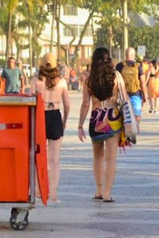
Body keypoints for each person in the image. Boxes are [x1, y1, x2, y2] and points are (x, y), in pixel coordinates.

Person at [77, 47, 125, 203]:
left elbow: (85, 104)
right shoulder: (116, 77)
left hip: (96, 120)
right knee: (111, 159)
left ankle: (98, 190)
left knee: (97, 157)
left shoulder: (89, 81)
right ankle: (107, 193)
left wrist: (80, 125)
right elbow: (124, 99)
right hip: (113, 120)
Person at [36, 53, 70, 203]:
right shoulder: (61, 83)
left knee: (39, 156)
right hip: (55, 115)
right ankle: (53, 193)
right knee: (54, 159)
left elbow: (30, 102)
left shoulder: (36, 82)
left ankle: (38, 190)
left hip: (39, 117)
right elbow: (67, 105)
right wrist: (64, 121)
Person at [120, 48, 145, 126]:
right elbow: (142, 82)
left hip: (123, 95)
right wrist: (144, 95)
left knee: (124, 116)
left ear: (125, 55)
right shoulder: (138, 66)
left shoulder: (119, 66)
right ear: (133, 55)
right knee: (137, 115)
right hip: (136, 94)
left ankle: (125, 130)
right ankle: (136, 128)